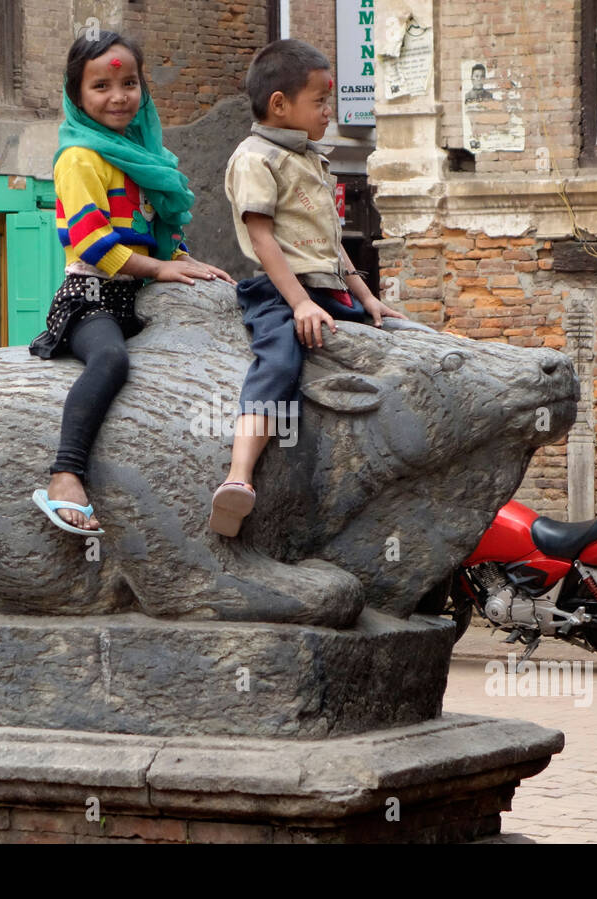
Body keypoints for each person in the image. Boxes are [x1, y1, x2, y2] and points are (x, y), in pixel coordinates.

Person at [30, 30, 233, 536]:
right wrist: (164, 270)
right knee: (112, 359)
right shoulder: (78, 158)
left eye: (129, 83)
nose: (118, 97)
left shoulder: (143, 156)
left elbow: (159, 240)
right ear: (76, 95)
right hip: (92, 299)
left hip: (142, 300)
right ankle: (65, 474)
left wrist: (192, 266)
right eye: (101, 86)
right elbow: (94, 242)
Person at [210, 39, 406, 537]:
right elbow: (262, 237)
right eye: (320, 101)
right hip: (280, 292)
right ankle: (239, 475)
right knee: (277, 362)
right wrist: (298, 302)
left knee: (400, 347)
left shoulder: (312, 159)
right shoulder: (256, 158)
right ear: (280, 105)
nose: (328, 111)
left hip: (328, 291)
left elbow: (331, 243)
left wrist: (366, 299)